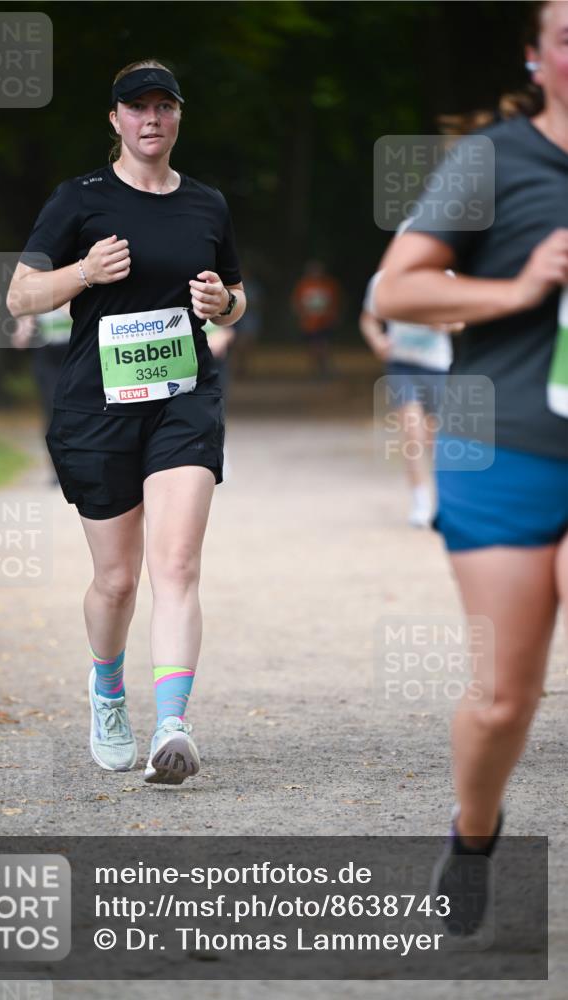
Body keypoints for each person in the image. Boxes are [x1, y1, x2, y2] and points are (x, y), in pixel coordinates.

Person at [375, 0, 568, 934]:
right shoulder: (491, 161)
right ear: (537, 58)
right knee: (503, 699)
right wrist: (525, 285)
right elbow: (398, 286)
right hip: (505, 447)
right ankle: (475, 832)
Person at [7, 59, 246, 785]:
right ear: (114, 120)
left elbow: (234, 293)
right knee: (116, 580)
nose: (151, 119)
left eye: (163, 106)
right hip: (97, 408)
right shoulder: (78, 199)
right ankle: (107, 690)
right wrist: (83, 272)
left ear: (178, 117)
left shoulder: (206, 204)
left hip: (183, 400)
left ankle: (172, 725)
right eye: (135, 108)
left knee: (175, 565)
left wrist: (222, 306)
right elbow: (20, 298)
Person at [360, 253, 453, 527]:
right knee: (413, 431)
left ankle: (444, 500)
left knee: (435, 439)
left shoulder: (445, 278)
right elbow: (368, 319)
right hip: (401, 364)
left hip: (437, 366)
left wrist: (444, 323)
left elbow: (462, 322)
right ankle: (421, 501)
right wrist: (378, 341)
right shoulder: (383, 281)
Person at [291, 260, 342, 376]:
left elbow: (335, 302)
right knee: (313, 347)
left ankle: (324, 369)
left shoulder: (330, 284)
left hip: (325, 321)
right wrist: (301, 315)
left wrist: (334, 315)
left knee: (324, 345)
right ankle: (315, 370)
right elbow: (296, 302)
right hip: (309, 323)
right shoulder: (303, 285)